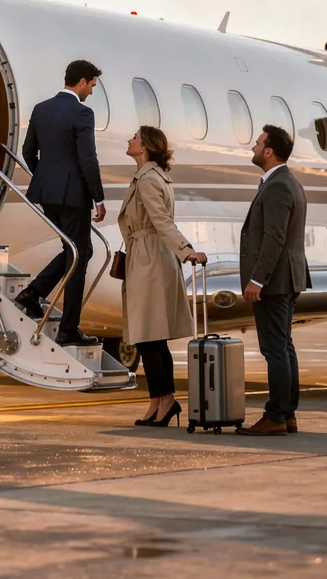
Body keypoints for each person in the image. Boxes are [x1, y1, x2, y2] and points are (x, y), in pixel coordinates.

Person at [118, 126, 207, 427]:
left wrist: (186, 250)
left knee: (149, 337)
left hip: (149, 258)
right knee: (151, 338)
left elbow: (161, 221)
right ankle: (158, 401)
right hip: (150, 255)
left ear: (144, 147)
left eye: (135, 138)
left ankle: (165, 400)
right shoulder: (155, 176)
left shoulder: (147, 180)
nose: (129, 140)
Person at [13, 60, 107, 346]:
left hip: (46, 194)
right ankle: (68, 329)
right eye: (91, 84)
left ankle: (33, 293)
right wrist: (98, 198)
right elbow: (87, 159)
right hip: (74, 196)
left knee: (75, 250)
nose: (92, 91)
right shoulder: (82, 112)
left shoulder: (41, 109)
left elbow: (29, 151)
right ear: (81, 82)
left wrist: (45, 177)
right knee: (79, 256)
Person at [238, 125, 311, 436]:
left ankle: (277, 416)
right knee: (284, 346)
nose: (254, 147)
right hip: (287, 278)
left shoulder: (278, 186)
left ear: (269, 151)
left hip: (275, 281)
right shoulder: (288, 182)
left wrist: (257, 279)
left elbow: (274, 238)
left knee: (275, 350)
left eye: (257, 143)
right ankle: (288, 414)